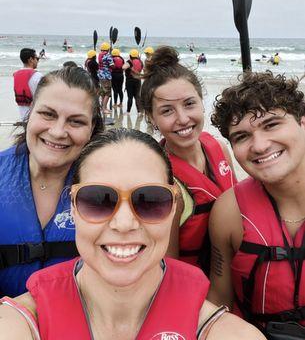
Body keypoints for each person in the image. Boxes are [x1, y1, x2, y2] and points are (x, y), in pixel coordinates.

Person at [0, 128, 265, 339]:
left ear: (174, 206)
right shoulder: (19, 323)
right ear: (72, 206)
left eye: (150, 200)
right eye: (98, 199)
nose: (124, 223)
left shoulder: (225, 332)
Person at [208, 72, 305, 338]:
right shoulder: (229, 211)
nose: (260, 146)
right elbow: (219, 302)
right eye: (241, 136)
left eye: (272, 124)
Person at [0, 66, 103, 297]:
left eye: (75, 122)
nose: (57, 132)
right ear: (29, 113)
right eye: (48, 114)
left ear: (91, 128)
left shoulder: (107, 187)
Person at [140, 46, 236, 274]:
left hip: (238, 279)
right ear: (151, 118)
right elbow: (168, 270)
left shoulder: (219, 148)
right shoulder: (162, 182)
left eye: (189, 104)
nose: (182, 119)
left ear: (202, 102)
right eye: (167, 111)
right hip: (199, 290)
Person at [13, 48, 43, 120]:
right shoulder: (38, 76)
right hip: (36, 116)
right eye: (37, 58)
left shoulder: (15, 75)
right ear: (31, 59)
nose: (37, 61)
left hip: (23, 116)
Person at [123, 49, 143, 115]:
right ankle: (139, 111)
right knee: (137, 96)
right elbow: (141, 68)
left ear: (130, 55)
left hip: (130, 81)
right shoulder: (140, 62)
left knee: (130, 97)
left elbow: (123, 67)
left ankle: (128, 111)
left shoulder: (129, 62)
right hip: (138, 80)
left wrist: (129, 67)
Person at [98, 42, 114, 114]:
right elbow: (112, 65)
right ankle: (104, 109)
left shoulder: (99, 55)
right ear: (108, 49)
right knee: (107, 93)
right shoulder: (108, 56)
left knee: (103, 92)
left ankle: (103, 107)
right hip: (106, 75)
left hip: (100, 75)